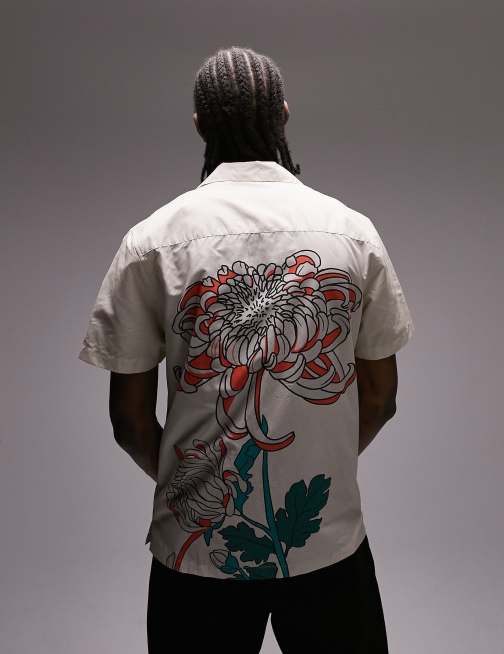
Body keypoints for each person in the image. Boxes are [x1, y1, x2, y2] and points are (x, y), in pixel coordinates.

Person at [78, 45, 414, 654]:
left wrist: (202, 489)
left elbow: (129, 420)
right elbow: (380, 398)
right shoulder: (351, 233)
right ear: (283, 114)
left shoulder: (151, 243)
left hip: (195, 553)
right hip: (329, 544)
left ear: (199, 125)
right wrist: (318, 465)